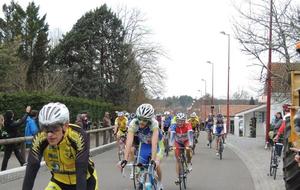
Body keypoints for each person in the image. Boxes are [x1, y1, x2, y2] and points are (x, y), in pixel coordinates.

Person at [22, 102, 98, 190]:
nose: (49, 134)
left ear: (65, 126)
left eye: (54, 128)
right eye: (45, 128)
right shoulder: (40, 138)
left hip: (86, 181)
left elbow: (81, 169)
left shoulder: (77, 135)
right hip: (59, 182)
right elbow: (32, 167)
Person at [119, 103, 164, 190]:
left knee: (156, 165)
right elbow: (129, 142)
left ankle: (159, 182)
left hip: (157, 144)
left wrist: (153, 160)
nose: (141, 122)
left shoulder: (154, 123)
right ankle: (140, 182)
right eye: (140, 119)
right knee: (139, 165)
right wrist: (125, 158)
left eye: (145, 120)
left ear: (149, 119)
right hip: (144, 144)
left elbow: (154, 143)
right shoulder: (133, 123)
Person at [1, 106, 31, 171]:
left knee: (16, 151)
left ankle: (23, 162)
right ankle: (3, 169)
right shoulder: (11, 123)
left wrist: (17, 122)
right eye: (12, 113)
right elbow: (21, 122)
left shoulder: (7, 121)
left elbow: (16, 123)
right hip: (10, 141)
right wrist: (27, 112)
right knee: (7, 156)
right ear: (11, 115)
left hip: (11, 140)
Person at [169, 112, 193, 184]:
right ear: (176, 121)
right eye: (178, 121)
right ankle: (178, 177)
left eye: (182, 121)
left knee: (188, 149)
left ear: (184, 121)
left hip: (186, 141)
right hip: (177, 142)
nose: (180, 122)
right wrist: (171, 145)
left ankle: (188, 162)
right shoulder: (174, 126)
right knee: (177, 159)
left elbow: (190, 135)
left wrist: (190, 144)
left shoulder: (188, 125)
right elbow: (172, 136)